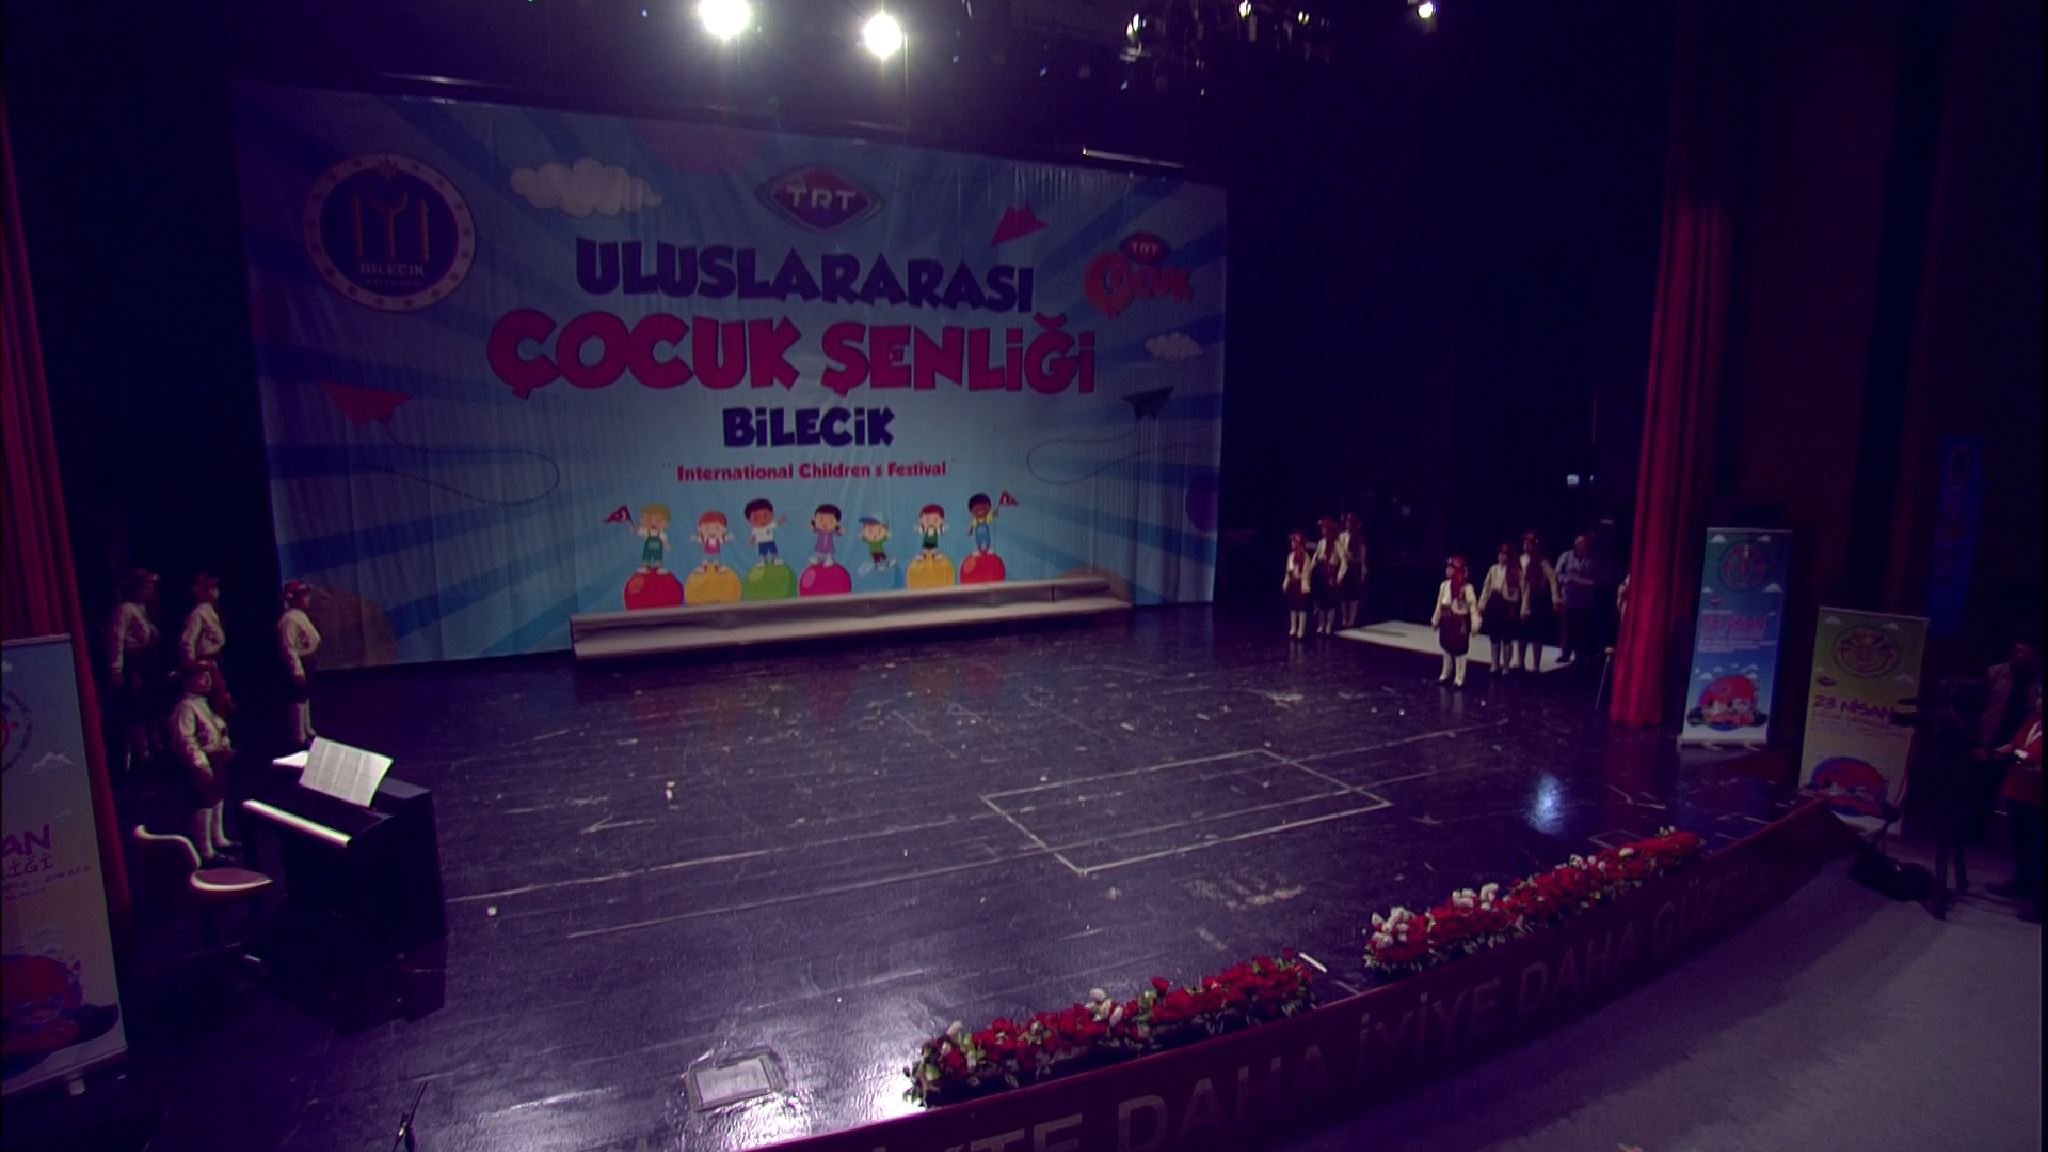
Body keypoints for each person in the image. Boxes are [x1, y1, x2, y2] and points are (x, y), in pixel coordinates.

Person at [1973, 637, 2041, 843]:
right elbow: (1979, 707)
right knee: (1983, 786)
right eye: (2018, 651)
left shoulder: (2037, 681)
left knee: (2016, 791)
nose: (2021, 656)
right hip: (1992, 736)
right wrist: (1979, 742)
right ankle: (1977, 830)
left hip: (2022, 740)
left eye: (2027, 653)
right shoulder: (1996, 673)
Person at [170, 661, 236, 861]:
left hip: (216, 757)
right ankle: (205, 849)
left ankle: (218, 838)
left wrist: (224, 745)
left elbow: (218, 727)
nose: (207, 681)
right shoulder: (185, 707)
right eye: (201, 677)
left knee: (217, 796)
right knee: (204, 801)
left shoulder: (206, 703)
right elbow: (185, 739)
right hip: (201, 761)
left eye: (208, 677)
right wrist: (199, 763)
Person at [1992, 681, 2043, 923]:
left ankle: (2039, 902)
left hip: (2038, 797)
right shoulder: (2032, 721)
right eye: (2039, 696)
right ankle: (2021, 884)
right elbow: (2014, 746)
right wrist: (1992, 753)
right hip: (2016, 790)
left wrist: (2033, 769)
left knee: (2037, 849)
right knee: (2019, 842)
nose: (2040, 701)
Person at [105, 567, 161, 773]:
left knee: (150, 706)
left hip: (146, 663)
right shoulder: (125, 610)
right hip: (133, 665)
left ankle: (154, 745)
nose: (150, 590)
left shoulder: (144, 609)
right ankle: (142, 753)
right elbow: (116, 639)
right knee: (137, 708)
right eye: (147, 586)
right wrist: (116, 669)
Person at [179, 572, 232, 716]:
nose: (215, 591)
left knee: (221, 702)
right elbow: (187, 640)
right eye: (211, 587)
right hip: (204, 665)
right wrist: (191, 663)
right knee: (210, 704)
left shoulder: (212, 612)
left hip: (215, 663)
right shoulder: (198, 614)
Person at [278, 580, 322, 748]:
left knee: (305, 694)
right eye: (304, 596)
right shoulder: (289, 619)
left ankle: (306, 727)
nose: (307, 599)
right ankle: (299, 734)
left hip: (308, 659)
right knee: (298, 696)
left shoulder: (301, 616)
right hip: (299, 661)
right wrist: (296, 670)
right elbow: (289, 647)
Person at [1430, 556, 1479, 688]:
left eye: (1450, 568)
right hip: (1446, 620)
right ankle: (1445, 674)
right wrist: (1435, 619)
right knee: (1446, 647)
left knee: (1459, 650)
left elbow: (1473, 607)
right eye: (1447, 567)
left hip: (1459, 622)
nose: (1447, 570)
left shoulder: (1467, 588)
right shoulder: (1444, 586)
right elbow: (1439, 604)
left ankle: (1459, 678)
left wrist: (1475, 623)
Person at [1517, 533, 1561, 673]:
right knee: (1522, 634)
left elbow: (1553, 578)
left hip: (1537, 599)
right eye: (1525, 543)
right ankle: (1520, 662)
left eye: (1529, 544)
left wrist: (1555, 599)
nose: (1526, 546)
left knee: (1537, 634)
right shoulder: (1519, 560)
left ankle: (1536, 664)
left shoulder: (1542, 562)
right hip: (1521, 598)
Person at [1478, 542, 1523, 675]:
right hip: (1494, 601)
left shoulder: (1515, 571)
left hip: (1507, 603)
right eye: (1500, 554)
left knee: (1506, 635)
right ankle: (1495, 664)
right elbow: (1486, 587)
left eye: (1504, 554)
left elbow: (1522, 590)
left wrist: (1520, 606)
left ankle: (1506, 666)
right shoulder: (1493, 569)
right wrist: (1482, 604)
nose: (1501, 557)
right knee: (1494, 634)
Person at [1555, 534, 1599, 667]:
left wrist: (1582, 582)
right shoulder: (1566, 556)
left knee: (1582, 629)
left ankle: (1580, 654)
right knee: (1567, 628)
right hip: (1569, 598)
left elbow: (1597, 579)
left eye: (1585, 544)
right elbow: (1558, 573)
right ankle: (1565, 653)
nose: (1582, 546)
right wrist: (1568, 580)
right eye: (1580, 544)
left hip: (1585, 600)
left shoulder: (1592, 559)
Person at [1311, 517, 1343, 636]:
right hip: (1321, 572)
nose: (1323, 531)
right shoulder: (1321, 542)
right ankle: (1321, 625)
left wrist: (1339, 576)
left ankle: (1329, 625)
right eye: (1322, 529)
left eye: (1325, 528)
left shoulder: (1337, 544)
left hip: (1331, 573)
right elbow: (1315, 557)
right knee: (1320, 600)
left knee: (1330, 601)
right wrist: (1310, 569)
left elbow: (1343, 561)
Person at [1282, 533, 1314, 641]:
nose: (1292, 543)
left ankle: (1301, 630)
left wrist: (1298, 576)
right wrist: (1285, 583)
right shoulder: (1290, 556)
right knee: (1293, 607)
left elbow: (1307, 572)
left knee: (1302, 608)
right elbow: (1287, 572)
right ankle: (1293, 628)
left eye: (1294, 542)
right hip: (1293, 584)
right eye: (1292, 542)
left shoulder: (1306, 557)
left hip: (1301, 584)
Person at [1338, 513, 1367, 628]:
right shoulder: (1342, 536)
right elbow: (1339, 550)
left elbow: (1362, 554)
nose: (1348, 524)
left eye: (1350, 522)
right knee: (1343, 595)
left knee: (1353, 595)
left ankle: (1351, 619)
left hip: (1355, 567)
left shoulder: (1359, 537)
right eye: (1347, 521)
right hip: (1344, 566)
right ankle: (1344, 618)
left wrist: (1363, 569)